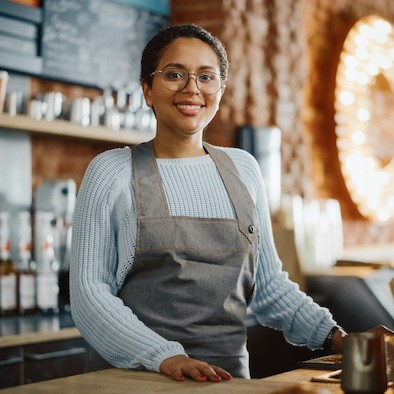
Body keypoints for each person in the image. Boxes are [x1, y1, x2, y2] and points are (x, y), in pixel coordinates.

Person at [69, 23, 391, 383]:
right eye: (174, 74)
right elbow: (88, 295)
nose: (192, 88)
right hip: (135, 382)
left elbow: (269, 288)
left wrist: (338, 337)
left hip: (228, 383)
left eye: (206, 77)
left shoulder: (243, 169)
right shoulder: (111, 172)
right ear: (147, 89)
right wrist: (165, 357)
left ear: (220, 90)